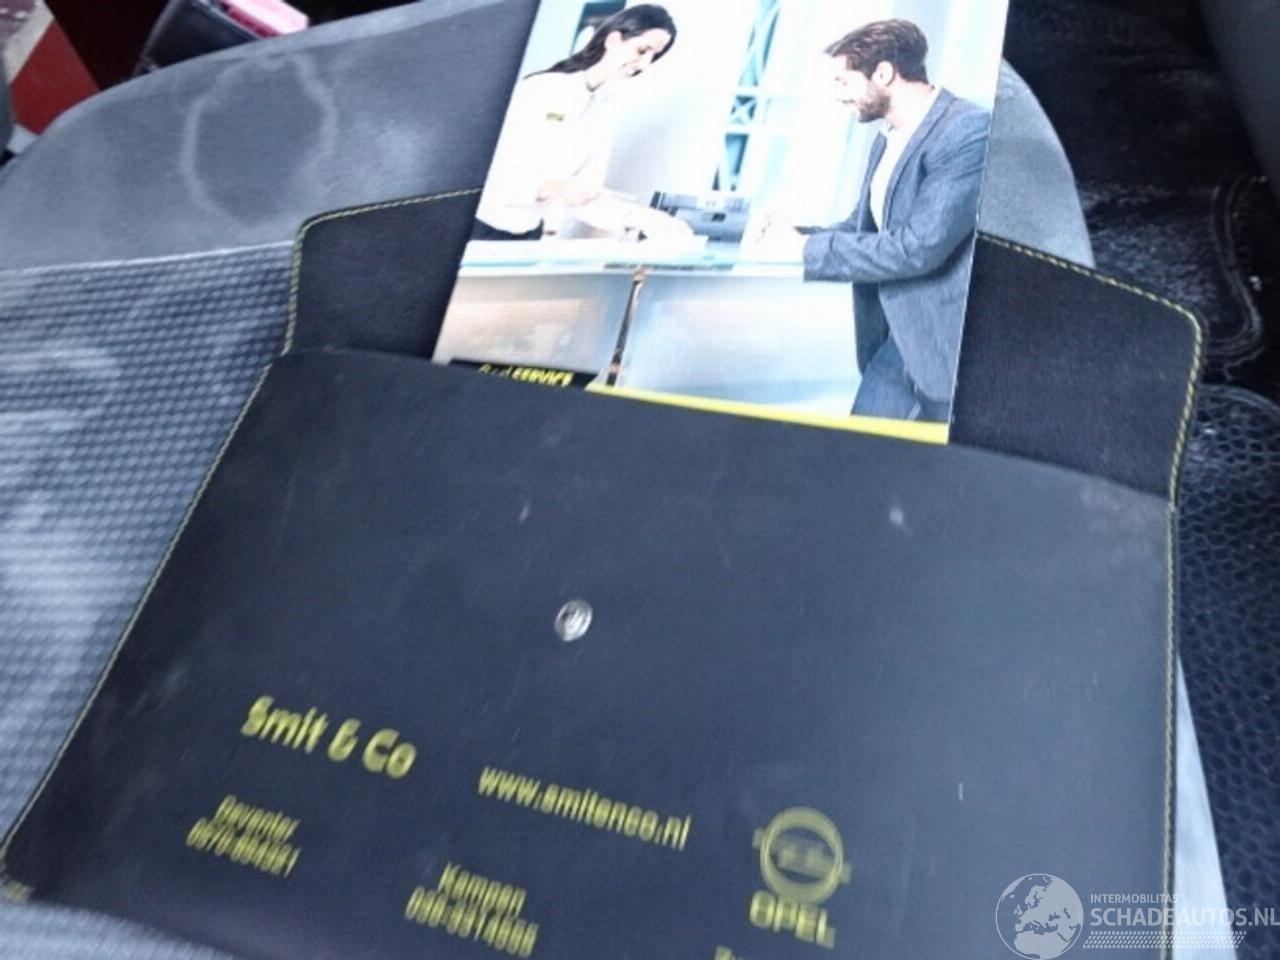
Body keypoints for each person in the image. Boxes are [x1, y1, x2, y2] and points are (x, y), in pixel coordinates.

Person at [751, 19, 991, 422]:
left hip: (948, 343)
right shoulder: (888, 137)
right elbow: (865, 228)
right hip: (897, 339)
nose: (838, 95)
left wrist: (804, 249)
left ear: (883, 73)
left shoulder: (968, 130)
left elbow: (918, 248)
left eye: (844, 82)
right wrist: (795, 235)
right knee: (859, 452)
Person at [473, 4, 693, 242]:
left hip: (528, 234)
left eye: (654, 56)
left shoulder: (606, 107)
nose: (644, 64)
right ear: (613, 41)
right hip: (477, 227)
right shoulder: (539, 90)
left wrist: (645, 219)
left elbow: (584, 196)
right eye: (642, 50)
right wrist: (547, 188)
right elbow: (486, 173)